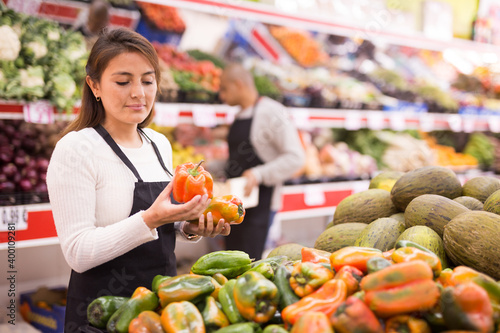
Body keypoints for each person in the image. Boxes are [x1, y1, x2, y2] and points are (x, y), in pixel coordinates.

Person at [46, 27, 231, 332]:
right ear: (94, 86)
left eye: (147, 80)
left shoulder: (159, 144)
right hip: (103, 314)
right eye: (123, 81)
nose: (138, 92)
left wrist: (188, 226)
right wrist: (148, 220)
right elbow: (78, 252)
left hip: (162, 309)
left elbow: (162, 225)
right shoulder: (77, 149)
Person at [218, 63, 305, 260]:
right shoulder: (241, 114)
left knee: (250, 262)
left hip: (260, 206)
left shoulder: (272, 112)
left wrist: (259, 174)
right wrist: (212, 166)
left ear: (239, 84)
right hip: (235, 202)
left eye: (224, 89)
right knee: (231, 262)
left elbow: (296, 158)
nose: (221, 96)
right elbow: (239, 158)